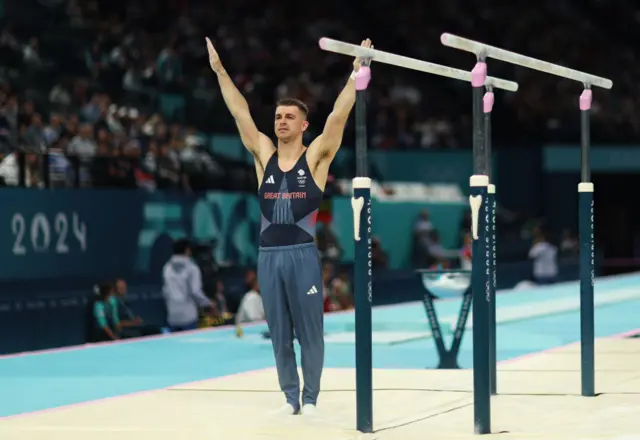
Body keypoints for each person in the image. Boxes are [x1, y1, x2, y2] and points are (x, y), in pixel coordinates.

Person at [205, 36, 373, 416]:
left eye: (289, 117)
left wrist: (355, 73)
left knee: (309, 330)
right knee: (279, 332)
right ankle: (289, 397)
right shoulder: (263, 155)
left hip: (302, 257)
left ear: (303, 125)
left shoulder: (315, 158)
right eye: (278, 116)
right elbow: (240, 112)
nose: (281, 121)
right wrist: (219, 71)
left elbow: (337, 119)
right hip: (268, 256)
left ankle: (311, 397)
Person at [162, 238, 217, 332]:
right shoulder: (192, 268)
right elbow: (195, 291)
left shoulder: (167, 267)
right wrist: (208, 303)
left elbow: (165, 291)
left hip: (172, 316)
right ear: (187, 250)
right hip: (188, 317)